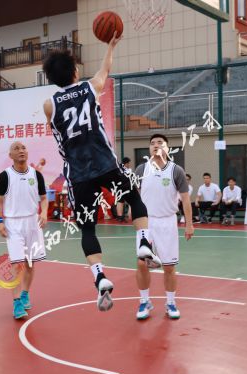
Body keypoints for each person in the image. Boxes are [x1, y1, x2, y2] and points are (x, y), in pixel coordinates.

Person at [42, 31, 161, 312]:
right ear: (75, 71)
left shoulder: (49, 105)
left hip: (78, 174)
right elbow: (104, 70)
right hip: (105, 163)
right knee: (133, 197)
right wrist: (111, 46)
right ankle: (143, 243)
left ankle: (100, 278)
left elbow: (55, 127)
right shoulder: (89, 87)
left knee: (88, 227)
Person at [134, 134, 194, 320]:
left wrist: (189, 224)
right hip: (146, 222)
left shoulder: (176, 171)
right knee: (142, 264)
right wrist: (133, 213)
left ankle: (170, 303)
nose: (156, 145)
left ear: (167, 148)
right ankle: (145, 301)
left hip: (167, 221)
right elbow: (135, 195)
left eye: (160, 143)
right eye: (152, 143)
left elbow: (186, 200)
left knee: (169, 267)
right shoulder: (141, 169)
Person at [0, 142, 48, 319]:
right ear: (10, 155)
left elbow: (44, 198)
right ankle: (16, 303)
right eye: (16, 149)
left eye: (23, 148)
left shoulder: (36, 175)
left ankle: (25, 294)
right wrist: (0, 222)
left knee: (30, 264)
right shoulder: (5, 176)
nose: (21, 151)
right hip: (13, 224)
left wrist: (44, 213)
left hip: (33, 222)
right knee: (17, 264)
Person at [115, 157, 132, 222]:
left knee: (120, 201)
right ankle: (129, 215)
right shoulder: (126, 170)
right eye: (129, 163)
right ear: (126, 163)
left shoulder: (119, 168)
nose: (129, 164)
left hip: (119, 187)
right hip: (125, 187)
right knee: (129, 201)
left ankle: (119, 216)